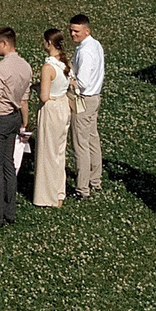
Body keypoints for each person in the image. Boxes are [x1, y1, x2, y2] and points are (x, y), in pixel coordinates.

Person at [0, 28, 34, 226]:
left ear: (4, 43)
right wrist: (24, 122)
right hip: (16, 117)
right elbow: (25, 98)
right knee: (9, 164)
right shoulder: (26, 66)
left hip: (1, 119)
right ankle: (10, 211)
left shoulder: (0, 70)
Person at [32, 29, 71, 209]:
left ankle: (46, 196)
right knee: (59, 152)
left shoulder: (48, 67)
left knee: (47, 153)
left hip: (51, 109)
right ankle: (59, 193)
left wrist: (37, 87)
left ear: (48, 43)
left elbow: (44, 96)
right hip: (63, 106)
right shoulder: (64, 62)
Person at [69, 14, 106, 199]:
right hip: (95, 97)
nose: (72, 34)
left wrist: (68, 77)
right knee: (92, 139)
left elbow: (81, 82)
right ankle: (95, 180)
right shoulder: (96, 45)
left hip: (83, 99)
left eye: (76, 31)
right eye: (71, 30)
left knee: (80, 144)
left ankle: (82, 188)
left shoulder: (84, 51)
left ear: (86, 30)